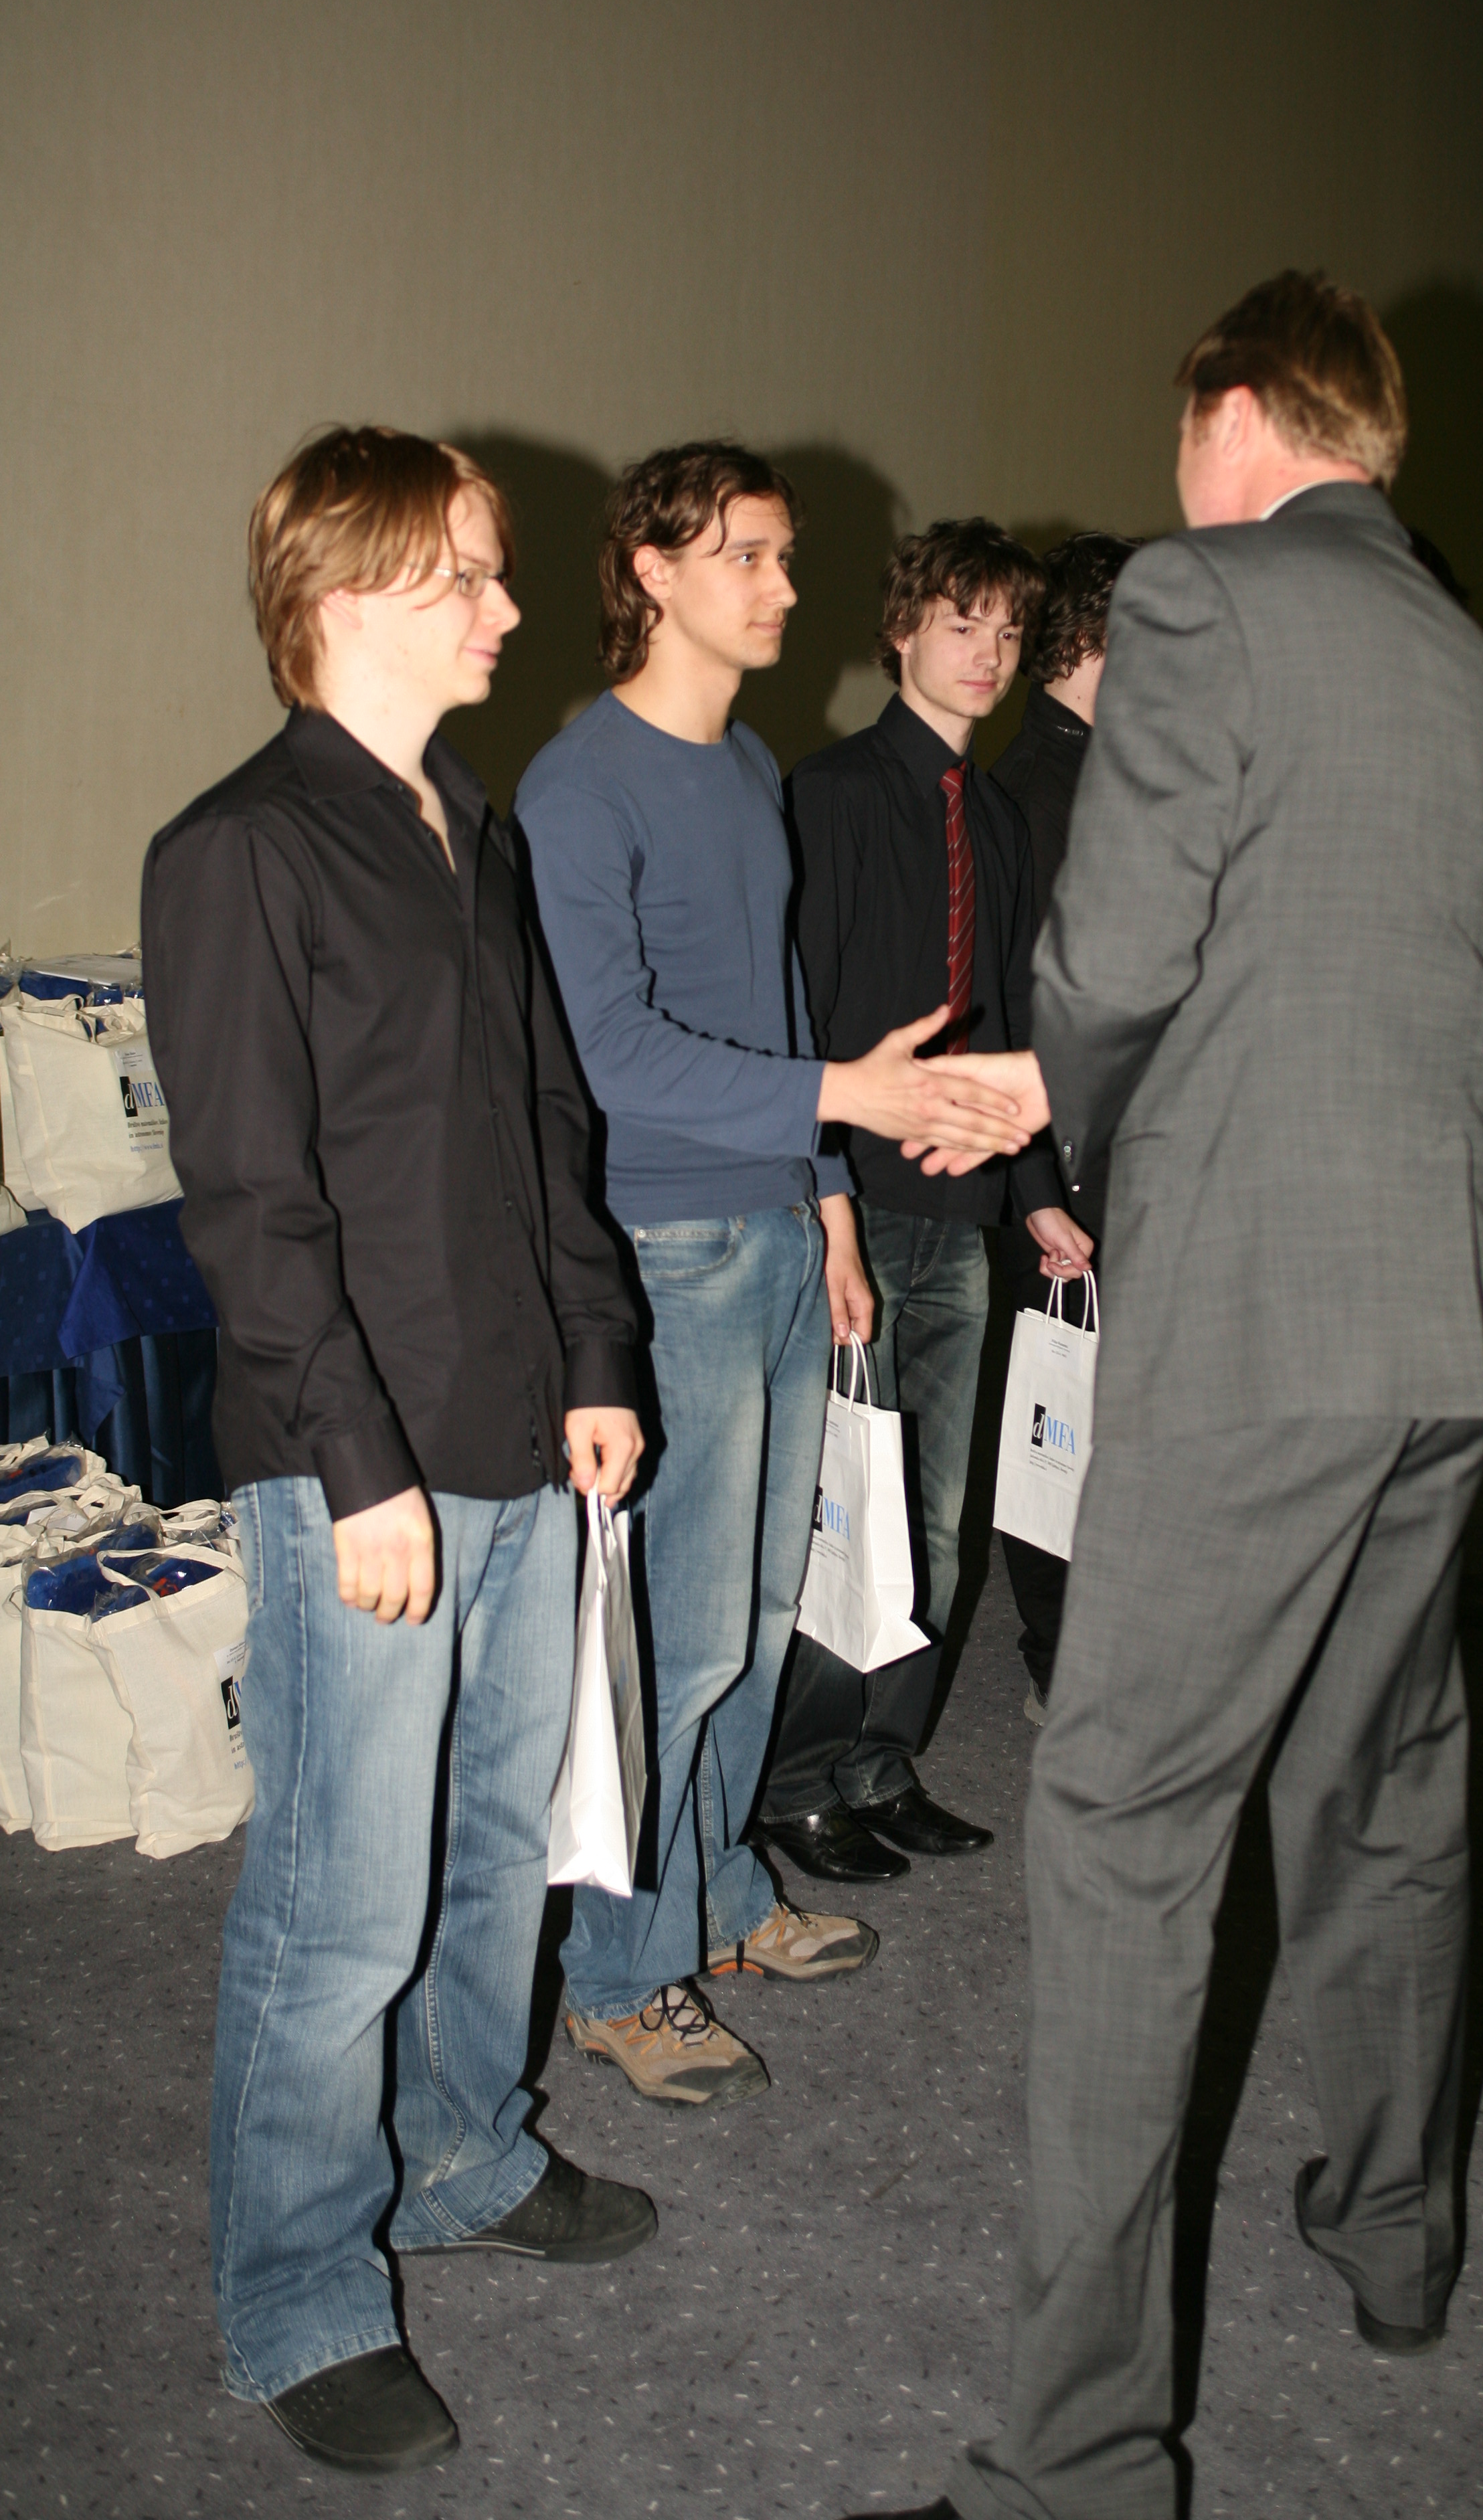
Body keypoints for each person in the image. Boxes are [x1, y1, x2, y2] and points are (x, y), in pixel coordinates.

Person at [848, 268, 1483, 2520]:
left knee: (1128, 1821)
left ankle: (1075, 2460)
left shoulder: (1204, 596)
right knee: (1387, 1783)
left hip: (1255, 1319)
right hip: (1442, 1311)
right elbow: (1332, 958)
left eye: (1179, 434)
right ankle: (1395, 2235)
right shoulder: (1458, 649)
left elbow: (1125, 950)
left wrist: (1039, 1077)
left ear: (1237, 412)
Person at [143, 427, 654, 2478]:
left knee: (489, 1846)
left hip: (521, 1424)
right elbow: (250, 1204)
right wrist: (358, 1471)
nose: (510, 609)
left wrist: (597, 1353)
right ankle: (294, 2295)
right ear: (350, 593)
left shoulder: (474, 830)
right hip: (357, 1458)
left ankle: (460, 2156)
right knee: (339, 1898)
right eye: (473, 575)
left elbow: (546, 1124)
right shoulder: (240, 851)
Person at [515, 446, 1028, 2108]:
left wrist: (829, 1209)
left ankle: (721, 1896)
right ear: (649, 571)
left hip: (781, 1236)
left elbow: (781, 1011)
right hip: (666, 1250)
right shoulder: (580, 787)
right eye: (747, 555)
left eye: (787, 557)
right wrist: (844, 1107)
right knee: (674, 1642)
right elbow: (610, 1053)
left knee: (751, 1622)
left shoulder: (742, 763)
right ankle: (618, 1974)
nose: (785, 588)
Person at [758, 520, 1091, 1884]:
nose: (989, 655)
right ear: (902, 631)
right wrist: (826, 1202)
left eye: (1009, 634)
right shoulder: (829, 794)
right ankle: (797, 1781)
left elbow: (1006, 1014)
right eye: (964, 625)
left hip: (962, 1214)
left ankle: (880, 1762)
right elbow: (800, 1020)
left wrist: (1036, 1195)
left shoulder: (996, 814)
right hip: (855, 1207)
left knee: (939, 1520)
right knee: (848, 1506)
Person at [987, 531, 1134, 1722]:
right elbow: (1020, 1011)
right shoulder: (1033, 793)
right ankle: (1063, 1653)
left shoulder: (1112, 775)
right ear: (1092, 636)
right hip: (1069, 1165)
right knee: (1057, 1413)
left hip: (1129, 1151)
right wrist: (1040, 1181)